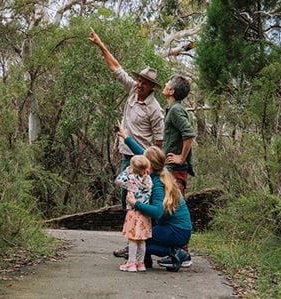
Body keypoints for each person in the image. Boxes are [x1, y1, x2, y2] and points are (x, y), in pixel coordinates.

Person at [89, 28, 164, 258]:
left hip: (142, 159)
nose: (140, 84)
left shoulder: (155, 110)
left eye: (145, 82)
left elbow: (159, 141)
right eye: (140, 79)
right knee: (127, 200)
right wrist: (101, 44)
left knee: (138, 201)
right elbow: (116, 68)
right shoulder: (132, 90)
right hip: (126, 155)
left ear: (152, 87)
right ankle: (134, 242)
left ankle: (141, 245)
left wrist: (152, 167)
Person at [117, 126, 192, 272]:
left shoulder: (158, 183)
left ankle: (176, 253)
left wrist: (135, 203)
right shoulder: (156, 169)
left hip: (177, 230)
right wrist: (125, 137)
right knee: (138, 234)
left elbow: (157, 212)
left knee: (139, 238)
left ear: (149, 166)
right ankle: (145, 260)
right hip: (173, 228)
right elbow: (141, 153)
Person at [114, 155, 153, 272]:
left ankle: (131, 263)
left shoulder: (131, 180)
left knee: (132, 239)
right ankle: (140, 263)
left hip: (133, 213)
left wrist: (126, 171)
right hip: (145, 215)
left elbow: (118, 181)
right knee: (141, 240)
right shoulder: (148, 180)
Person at [162, 75, 196, 196]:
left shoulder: (176, 110)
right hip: (171, 167)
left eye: (168, 82)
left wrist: (181, 158)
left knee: (174, 205)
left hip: (175, 169)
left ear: (171, 91)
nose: (165, 83)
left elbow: (189, 134)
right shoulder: (175, 109)